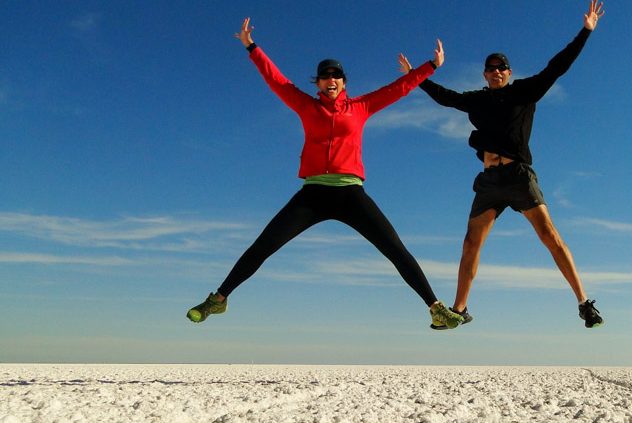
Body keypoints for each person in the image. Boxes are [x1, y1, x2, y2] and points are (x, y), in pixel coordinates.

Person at [186, 18, 464, 330]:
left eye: (336, 75)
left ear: (344, 82)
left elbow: (397, 89)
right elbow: (275, 80)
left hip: (351, 193)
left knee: (395, 249)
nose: (330, 79)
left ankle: (436, 308)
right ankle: (218, 299)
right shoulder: (306, 106)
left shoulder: (361, 107)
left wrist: (431, 66)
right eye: (324, 76)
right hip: (313, 194)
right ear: (317, 83)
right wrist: (251, 46)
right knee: (263, 245)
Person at [399, 1, 605, 329]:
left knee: (549, 234)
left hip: (519, 175)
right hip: (489, 181)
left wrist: (586, 31)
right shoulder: (477, 100)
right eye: (490, 68)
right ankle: (459, 309)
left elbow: (558, 65)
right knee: (470, 242)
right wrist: (418, 74)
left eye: (501, 67)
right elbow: (445, 96)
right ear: (484, 73)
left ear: (509, 72)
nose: (496, 72)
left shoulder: (525, 92)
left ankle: (584, 302)